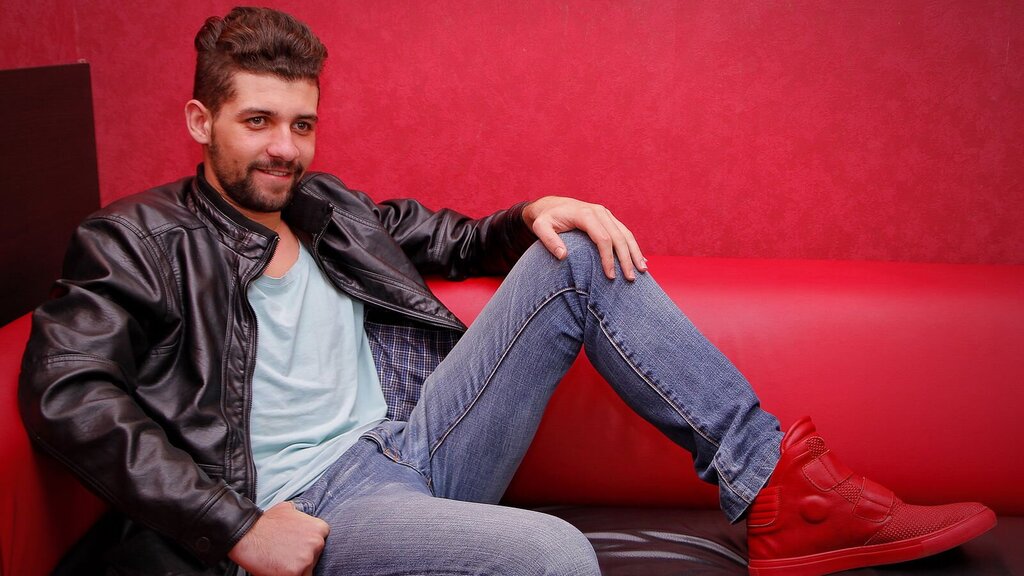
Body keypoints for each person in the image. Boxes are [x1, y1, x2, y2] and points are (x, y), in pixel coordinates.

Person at [18, 7, 995, 576]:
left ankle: (780, 490)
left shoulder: (322, 205)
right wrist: (235, 527)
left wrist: (532, 208)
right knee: (557, 558)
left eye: (302, 124)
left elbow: (442, 235)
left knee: (574, 253)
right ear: (201, 120)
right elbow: (66, 392)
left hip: (415, 439)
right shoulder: (132, 239)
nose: (284, 149)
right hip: (315, 506)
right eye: (258, 122)